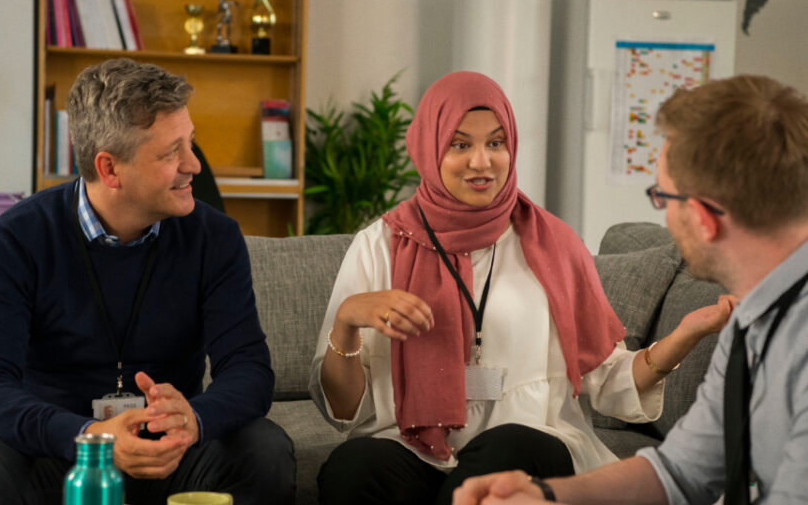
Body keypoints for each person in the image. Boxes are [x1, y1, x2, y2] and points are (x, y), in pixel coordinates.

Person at [308, 71, 733, 505]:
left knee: (511, 448)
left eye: (496, 143)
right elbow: (343, 412)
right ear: (428, 148)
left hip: (528, 445)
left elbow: (608, 380)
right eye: (459, 145)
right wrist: (346, 322)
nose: (481, 162)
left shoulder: (554, 244)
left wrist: (683, 338)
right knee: (353, 467)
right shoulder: (379, 244)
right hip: (411, 446)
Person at [0, 58, 295, 505]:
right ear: (109, 168)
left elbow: (248, 369)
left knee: (263, 449)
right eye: (172, 152)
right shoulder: (13, 240)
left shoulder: (215, 237)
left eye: (192, 144)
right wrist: (91, 436)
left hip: (172, 452)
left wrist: (194, 419)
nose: (194, 166)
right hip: (64, 451)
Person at [452, 74, 808, 505]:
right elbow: (680, 472)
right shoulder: (751, 323)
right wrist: (546, 496)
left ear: (702, 218)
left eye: (663, 197)